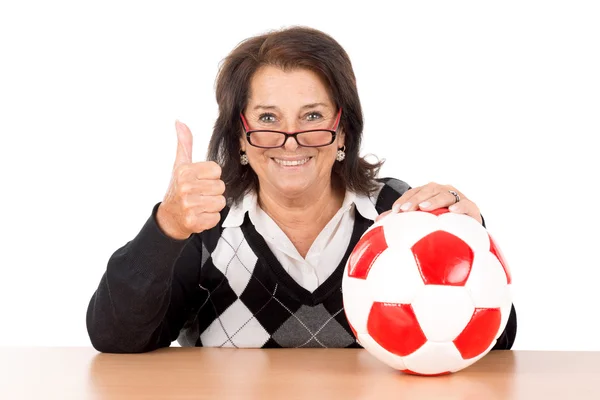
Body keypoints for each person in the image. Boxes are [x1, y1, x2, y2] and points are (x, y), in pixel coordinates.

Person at [86, 26, 517, 353]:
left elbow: (496, 343)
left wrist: (470, 237)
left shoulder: (398, 215)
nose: (290, 140)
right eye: (269, 119)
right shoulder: (203, 221)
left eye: (311, 116)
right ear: (239, 136)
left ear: (343, 129)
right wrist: (168, 225)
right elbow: (116, 337)